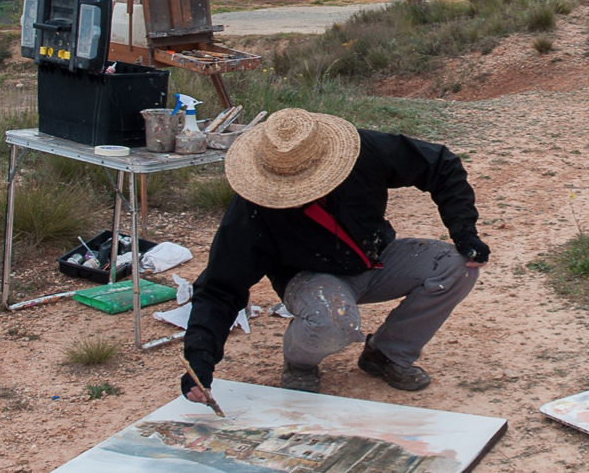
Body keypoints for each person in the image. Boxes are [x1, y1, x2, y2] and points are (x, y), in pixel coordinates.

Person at [179, 108, 489, 401]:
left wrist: (464, 232)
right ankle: (300, 362)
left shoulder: (362, 151)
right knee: (333, 321)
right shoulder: (253, 210)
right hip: (310, 278)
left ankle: (386, 353)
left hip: (374, 258)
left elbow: (440, 164)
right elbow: (220, 287)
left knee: (458, 265)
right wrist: (200, 360)